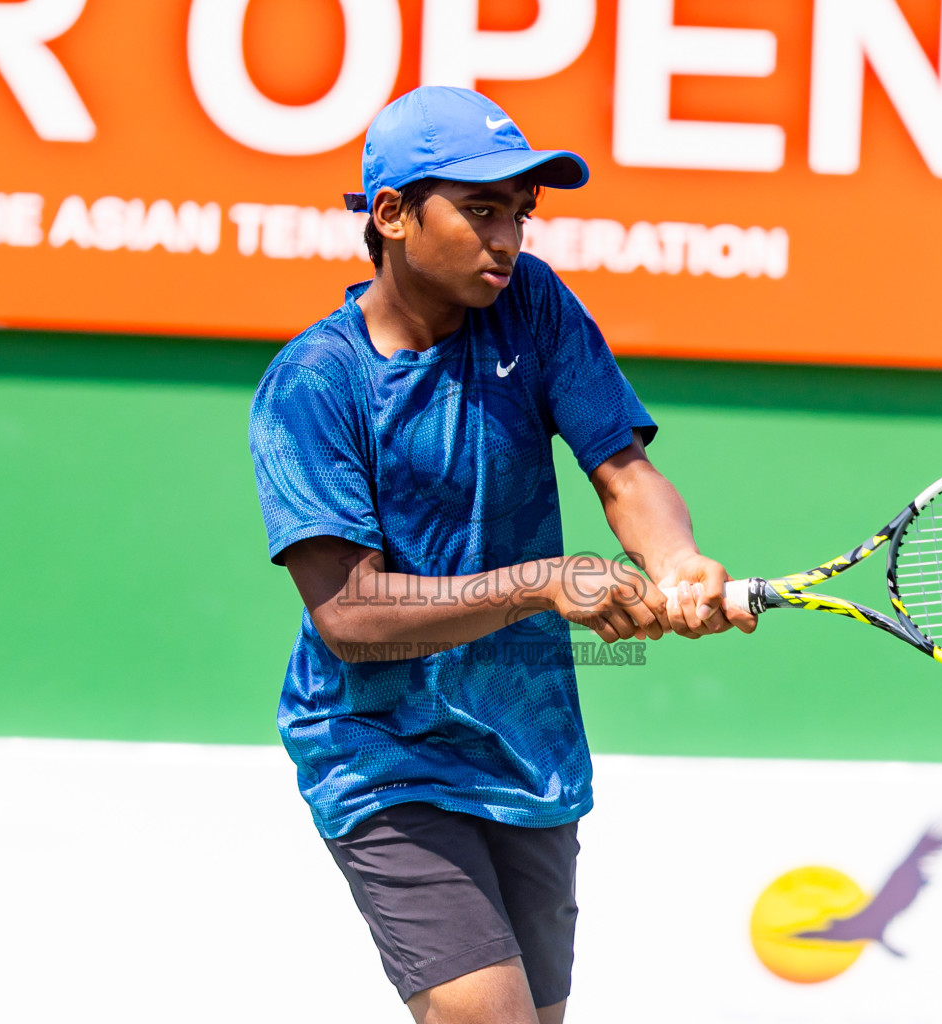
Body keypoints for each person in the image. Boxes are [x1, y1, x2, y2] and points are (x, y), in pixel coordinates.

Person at [248, 86, 756, 1024]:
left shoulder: (536, 308)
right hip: (380, 748)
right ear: (392, 216)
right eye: (480, 210)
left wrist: (677, 560)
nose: (507, 240)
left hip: (528, 747)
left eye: (519, 214)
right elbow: (351, 617)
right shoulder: (316, 384)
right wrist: (543, 585)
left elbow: (623, 472)